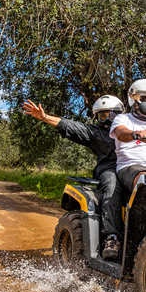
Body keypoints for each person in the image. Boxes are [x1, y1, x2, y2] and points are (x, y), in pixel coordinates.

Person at [23, 95, 124, 259]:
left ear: (119, 114)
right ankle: (111, 237)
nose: (106, 119)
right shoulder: (95, 132)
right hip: (109, 169)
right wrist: (44, 117)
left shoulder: (128, 129)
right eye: (102, 115)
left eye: (110, 115)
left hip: (131, 167)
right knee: (111, 186)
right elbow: (70, 126)